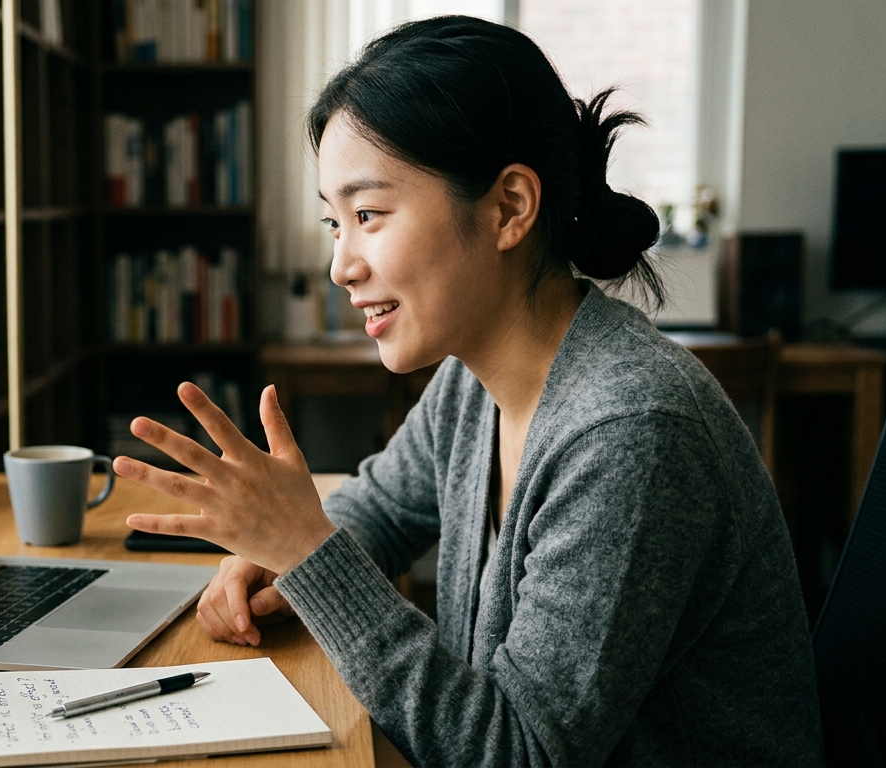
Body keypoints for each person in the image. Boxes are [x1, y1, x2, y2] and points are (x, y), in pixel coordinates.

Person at [118, 16, 823, 766]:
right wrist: (275, 559)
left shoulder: (630, 432)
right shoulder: (473, 379)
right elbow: (382, 508)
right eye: (333, 223)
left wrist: (308, 552)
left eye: (368, 215)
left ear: (509, 207)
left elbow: (519, 752)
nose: (341, 267)